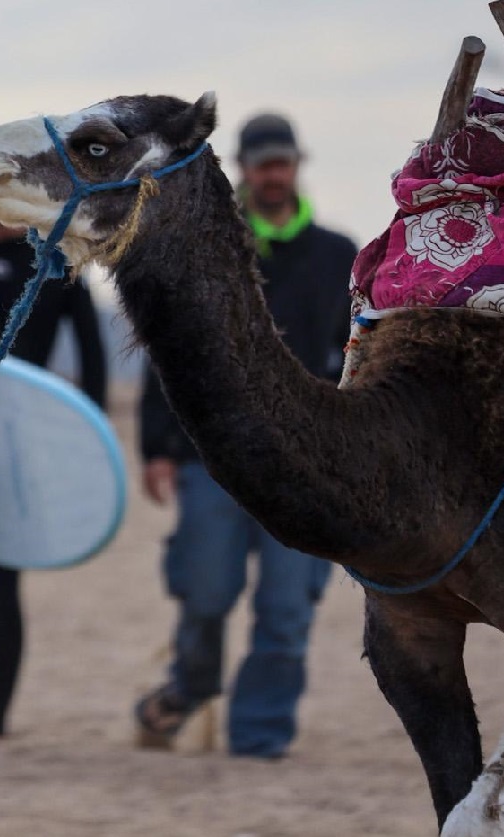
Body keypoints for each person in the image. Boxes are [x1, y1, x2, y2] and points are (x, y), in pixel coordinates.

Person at [134, 113, 357, 758]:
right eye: (261, 163)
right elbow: (165, 349)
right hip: (213, 458)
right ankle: (187, 687)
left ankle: (258, 740)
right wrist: (155, 448)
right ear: (244, 168)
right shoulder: (206, 249)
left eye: (282, 161)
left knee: (286, 614)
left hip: (308, 465)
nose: (273, 174)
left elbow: (363, 355)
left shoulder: (339, 256)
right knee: (206, 593)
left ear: (295, 165)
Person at [0, 215, 107, 738]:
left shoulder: (56, 265)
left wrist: (89, 444)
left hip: (18, 446)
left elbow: (92, 357)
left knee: (0, 583)